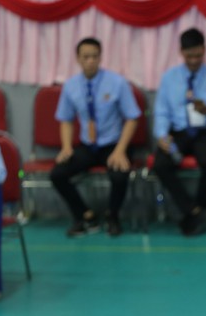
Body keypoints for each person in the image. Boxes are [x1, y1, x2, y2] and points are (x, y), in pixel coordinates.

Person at [50, 37, 141, 237]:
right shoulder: (71, 86)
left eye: (94, 56)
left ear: (100, 57)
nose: (90, 61)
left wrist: (120, 151)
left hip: (114, 143)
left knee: (119, 175)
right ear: (78, 59)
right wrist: (66, 147)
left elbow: (132, 118)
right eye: (86, 57)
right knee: (57, 174)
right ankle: (84, 215)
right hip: (88, 145)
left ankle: (113, 215)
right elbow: (65, 119)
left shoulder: (117, 83)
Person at [153, 28, 206, 236]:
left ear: (204, 50)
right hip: (178, 133)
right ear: (181, 52)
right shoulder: (169, 78)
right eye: (189, 56)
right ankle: (193, 209)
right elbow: (161, 111)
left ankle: (196, 210)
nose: (194, 60)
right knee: (161, 164)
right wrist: (162, 135)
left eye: (198, 55)